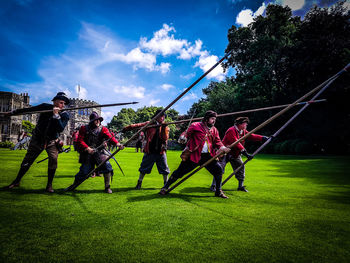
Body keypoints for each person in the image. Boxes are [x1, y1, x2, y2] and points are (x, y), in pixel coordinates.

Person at [5, 92, 70, 193]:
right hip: (38, 139)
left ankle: (49, 185)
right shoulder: (45, 107)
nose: (63, 105)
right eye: (61, 102)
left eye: (64, 103)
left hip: (52, 141)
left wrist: (56, 115)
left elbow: (60, 128)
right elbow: (29, 110)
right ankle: (17, 181)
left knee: (53, 160)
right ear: (55, 101)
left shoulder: (65, 114)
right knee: (28, 160)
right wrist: (14, 112)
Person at [160, 110, 231, 198]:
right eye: (212, 119)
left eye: (214, 119)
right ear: (206, 119)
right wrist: (183, 137)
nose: (214, 121)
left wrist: (223, 148)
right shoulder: (195, 125)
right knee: (179, 172)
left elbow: (218, 142)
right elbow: (186, 133)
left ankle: (218, 191)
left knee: (218, 170)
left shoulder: (214, 130)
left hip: (208, 156)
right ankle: (165, 187)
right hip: (194, 155)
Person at [65, 112, 124, 193]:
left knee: (107, 167)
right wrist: (87, 148)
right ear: (92, 121)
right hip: (87, 153)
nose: (98, 122)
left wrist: (118, 144)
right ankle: (74, 185)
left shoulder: (103, 129)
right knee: (84, 172)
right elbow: (80, 140)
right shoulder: (83, 128)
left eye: (99, 120)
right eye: (96, 120)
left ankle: (107, 187)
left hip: (100, 152)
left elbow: (110, 138)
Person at [210, 117, 269, 192]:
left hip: (235, 153)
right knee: (219, 169)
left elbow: (251, 135)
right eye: (245, 123)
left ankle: (240, 186)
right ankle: (214, 186)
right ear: (240, 124)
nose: (246, 124)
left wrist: (263, 138)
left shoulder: (243, 131)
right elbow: (236, 142)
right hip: (225, 153)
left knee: (240, 167)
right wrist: (245, 153)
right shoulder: (231, 130)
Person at [122, 109, 170, 189]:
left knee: (165, 169)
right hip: (150, 151)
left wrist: (164, 127)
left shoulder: (166, 127)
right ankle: (139, 183)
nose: (163, 118)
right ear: (156, 117)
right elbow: (137, 125)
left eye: (163, 116)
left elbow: (165, 138)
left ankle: (166, 185)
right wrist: (127, 128)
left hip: (161, 151)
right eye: (161, 116)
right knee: (143, 168)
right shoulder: (149, 124)